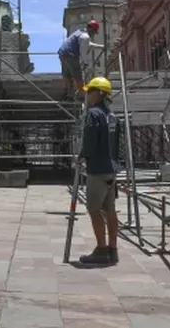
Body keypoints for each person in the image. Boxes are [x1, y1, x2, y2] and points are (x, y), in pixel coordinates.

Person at [76, 77, 121, 266]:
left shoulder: (93, 114)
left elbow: (90, 140)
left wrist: (82, 155)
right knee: (110, 210)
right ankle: (112, 249)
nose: (87, 95)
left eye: (90, 91)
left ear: (99, 94)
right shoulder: (112, 116)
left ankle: (101, 249)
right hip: (111, 169)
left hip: (98, 169)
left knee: (94, 209)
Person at [58, 20, 103, 102]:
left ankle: (67, 96)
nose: (93, 34)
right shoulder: (85, 37)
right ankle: (83, 96)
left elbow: (87, 44)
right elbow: (83, 51)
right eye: (94, 32)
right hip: (71, 55)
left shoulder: (79, 32)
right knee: (78, 77)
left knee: (67, 76)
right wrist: (85, 62)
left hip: (63, 53)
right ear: (92, 29)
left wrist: (100, 46)